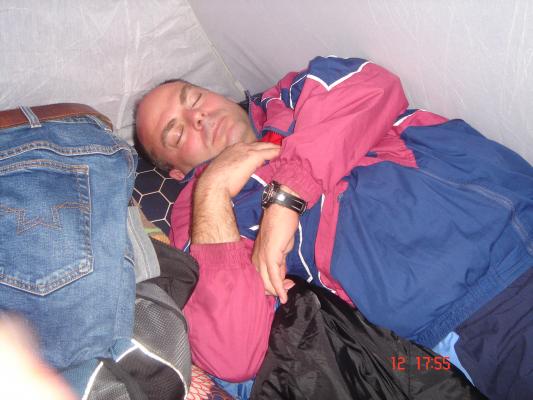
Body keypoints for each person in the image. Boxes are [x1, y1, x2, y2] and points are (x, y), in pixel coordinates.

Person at [136, 56, 533, 398]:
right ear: (176, 173)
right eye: (178, 133)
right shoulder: (204, 216)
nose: (198, 117)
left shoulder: (293, 95)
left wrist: (287, 196)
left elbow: (374, 85)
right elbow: (234, 353)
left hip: (512, 234)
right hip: (456, 328)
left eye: (195, 99)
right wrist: (212, 188)